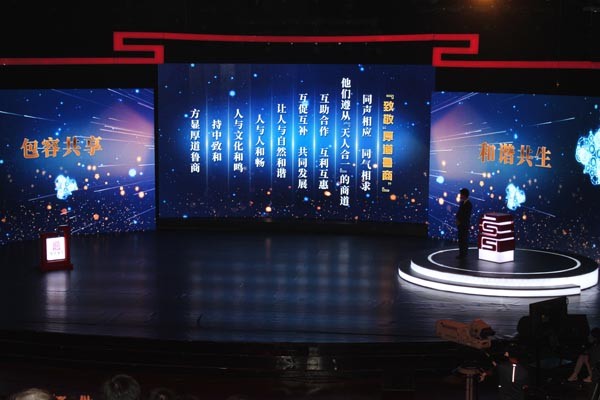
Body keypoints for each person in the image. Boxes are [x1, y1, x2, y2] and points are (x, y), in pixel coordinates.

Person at [455, 187, 473, 259]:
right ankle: (461, 253)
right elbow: (460, 212)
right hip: (460, 224)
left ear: (464, 195)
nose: (460, 195)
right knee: (461, 239)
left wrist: (460, 219)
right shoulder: (462, 202)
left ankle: (463, 254)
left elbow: (466, 215)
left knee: (464, 239)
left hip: (464, 224)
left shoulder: (469, 204)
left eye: (461, 194)